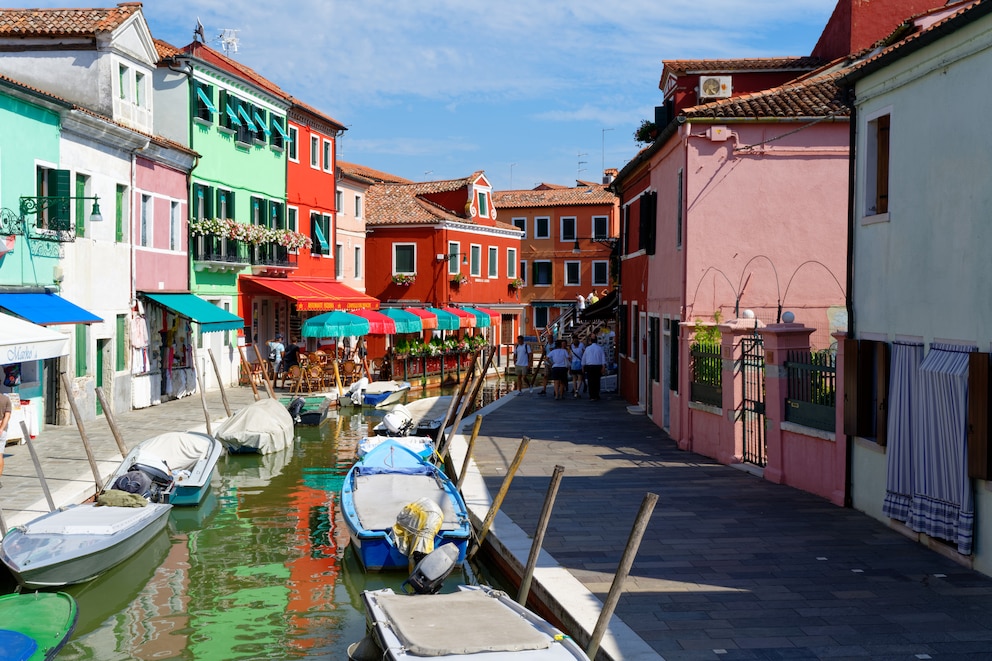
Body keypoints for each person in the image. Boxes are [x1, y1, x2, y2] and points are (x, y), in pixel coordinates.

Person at [581, 335, 606, 401]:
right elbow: (603, 358)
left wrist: (583, 366)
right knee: (597, 381)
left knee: (590, 381)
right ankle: (596, 395)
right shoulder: (600, 348)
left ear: (590, 341)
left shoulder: (587, 348)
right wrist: (603, 367)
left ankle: (592, 395)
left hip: (590, 366)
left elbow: (584, 358)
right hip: (598, 366)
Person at [0, 392, 11, 480]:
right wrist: (1, 428)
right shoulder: (6, 399)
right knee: (0, 455)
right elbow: (7, 416)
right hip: (2, 429)